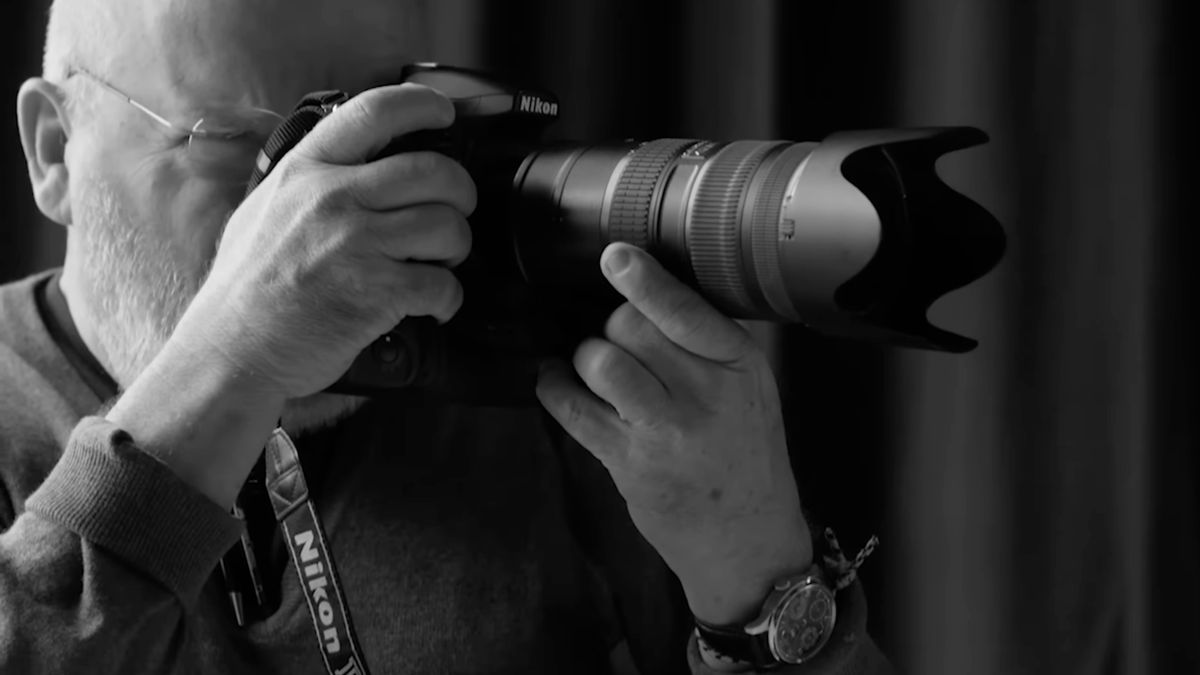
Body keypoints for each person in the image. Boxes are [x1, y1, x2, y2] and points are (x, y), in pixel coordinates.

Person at [0, 1, 894, 673]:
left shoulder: (550, 388)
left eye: (368, 131)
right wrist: (234, 356)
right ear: (52, 149)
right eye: (247, 145)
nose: (324, 207)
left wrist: (760, 575)